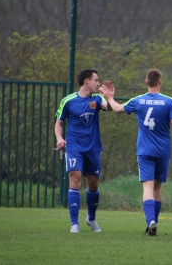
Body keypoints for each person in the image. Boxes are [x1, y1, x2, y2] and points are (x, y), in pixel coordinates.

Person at [98, 69, 172, 236]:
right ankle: (154, 223)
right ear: (160, 82)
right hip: (163, 151)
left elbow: (117, 109)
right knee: (157, 188)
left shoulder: (138, 101)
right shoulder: (169, 102)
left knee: (148, 188)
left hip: (144, 151)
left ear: (145, 83)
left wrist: (109, 98)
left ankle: (150, 221)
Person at [55, 68, 110, 233]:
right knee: (75, 180)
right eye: (96, 80)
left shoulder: (97, 98)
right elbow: (59, 123)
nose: (98, 83)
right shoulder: (68, 101)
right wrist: (59, 138)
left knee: (93, 184)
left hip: (93, 148)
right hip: (74, 147)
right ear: (87, 81)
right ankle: (74, 224)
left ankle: (91, 218)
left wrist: (109, 97)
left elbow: (109, 107)